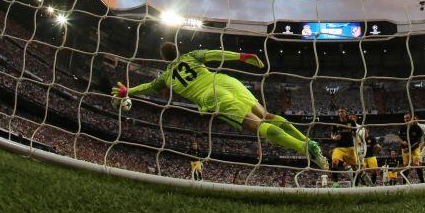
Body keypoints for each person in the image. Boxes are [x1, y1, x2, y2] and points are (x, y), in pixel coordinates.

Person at [111, 43, 328, 171]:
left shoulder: (167, 76)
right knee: (268, 115)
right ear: (177, 50)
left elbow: (148, 87)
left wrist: (128, 91)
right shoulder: (191, 56)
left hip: (214, 96)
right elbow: (216, 54)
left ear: (163, 58)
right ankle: (308, 140)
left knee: (258, 126)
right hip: (227, 81)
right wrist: (241, 56)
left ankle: (305, 149)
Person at [330, 108, 358, 187]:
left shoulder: (351, 122)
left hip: (350, 147)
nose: (340, 113)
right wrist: (334, 137)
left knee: (355, 168)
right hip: (339, 147)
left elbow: (355, 133)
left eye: (342, 112)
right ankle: (336, 183)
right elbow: (332, 134)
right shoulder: (336, 123)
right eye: (339, 112)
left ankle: (356, 185)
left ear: (346, 113)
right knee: (334, 162)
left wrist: (358, 142)